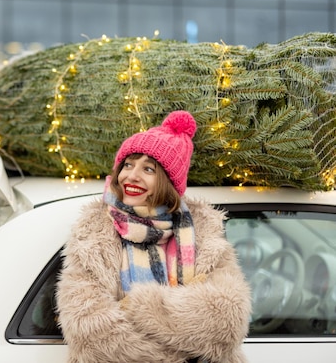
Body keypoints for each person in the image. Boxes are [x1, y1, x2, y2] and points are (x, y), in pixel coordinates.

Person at [56, 110, 252, 363]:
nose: (131, 175)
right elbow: (88, 331)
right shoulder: (94, 231)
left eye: (148, 168)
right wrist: (183, 340)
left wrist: (139, 306)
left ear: (168, 182)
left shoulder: (204, 232)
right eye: (127, 165)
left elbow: (226, 320)